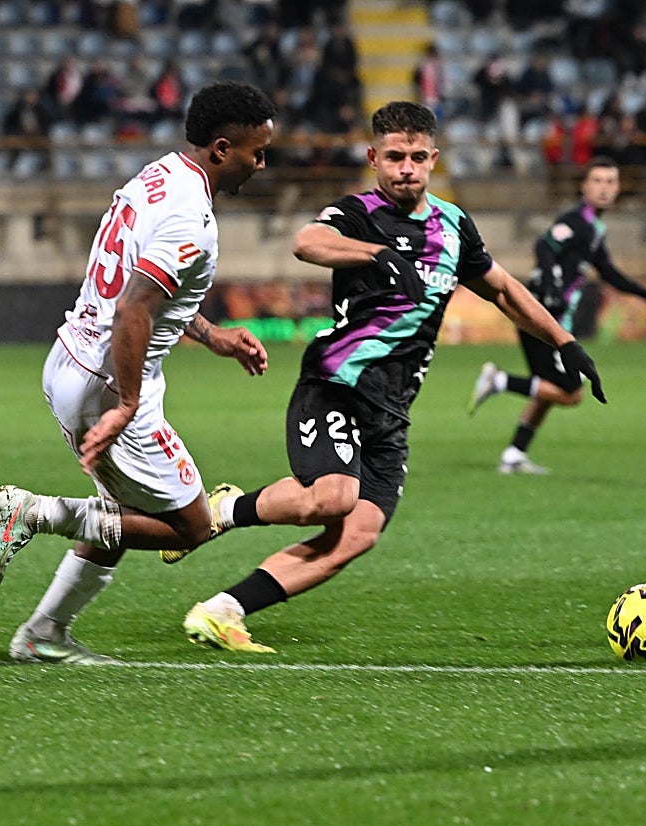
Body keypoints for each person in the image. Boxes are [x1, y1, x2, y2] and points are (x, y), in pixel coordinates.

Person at [167, 100, 606, 654]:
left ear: (433, 159)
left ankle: (221, 612)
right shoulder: (357, 214)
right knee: (330, 499)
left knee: (357, 533)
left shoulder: (453, 226)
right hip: (335, 385)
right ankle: (223, 511)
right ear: (374, 157)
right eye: (395, 156)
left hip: (392, 408)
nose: (406, 168)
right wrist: (375, 254)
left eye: (418, 157)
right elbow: (307, 242)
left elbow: (502, 289)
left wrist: (565, 343)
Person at [0, 81, 277, 665]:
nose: (260, 164)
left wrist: (212, 336)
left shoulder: (159, 175)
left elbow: (154, 294)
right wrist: (125, 403)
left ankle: (44, 635)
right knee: (190, 527)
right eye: (255, 151)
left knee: (121, 516)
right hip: (109, 381)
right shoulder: (191, 217)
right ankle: (33, 512)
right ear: (221, 148)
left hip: (73, 359)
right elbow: (135, 306)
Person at [467, 156, 646, 475]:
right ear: (584, 186)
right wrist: (550, 283)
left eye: (611, 182)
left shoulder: (593, 229)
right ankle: (499, 380)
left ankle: (514, 454)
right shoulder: (576, 221)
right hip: (540, 313)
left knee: (550, 389)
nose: (605, 188)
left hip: (551, 313)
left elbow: (609, 273)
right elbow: (545, 245)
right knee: (571, 393)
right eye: (598, 181)